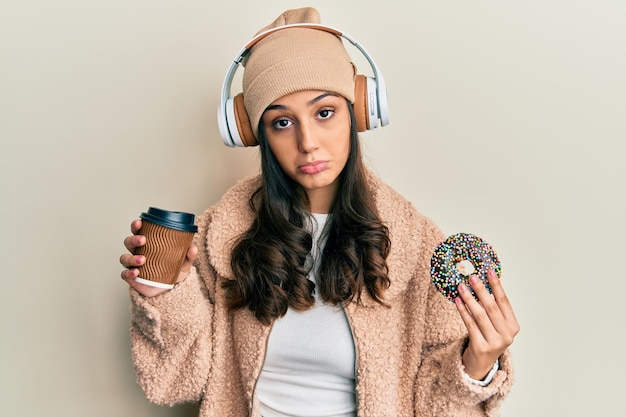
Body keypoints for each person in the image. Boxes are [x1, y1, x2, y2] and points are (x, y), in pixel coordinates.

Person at [119, 7, 519, 417]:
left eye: (324, 112)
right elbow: (173, 382)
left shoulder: (417, 245)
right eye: (281, 123)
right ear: (256, 133)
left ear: (357, 112)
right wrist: (163, 296)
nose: (307, 141)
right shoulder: (217, 237)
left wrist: (477, 365)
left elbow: (438, 409)